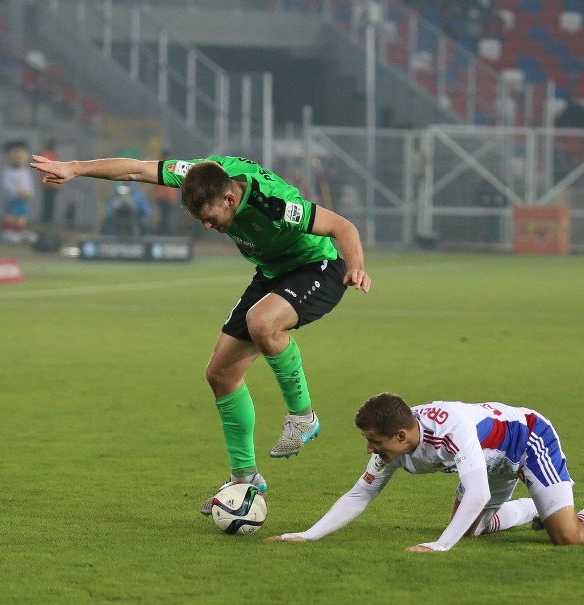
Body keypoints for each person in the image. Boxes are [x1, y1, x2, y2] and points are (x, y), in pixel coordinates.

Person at [30, 153, 372, 514]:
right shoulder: (199, 175)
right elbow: (135, 169)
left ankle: (302, 415)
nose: (207, 226)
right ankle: (244, 479)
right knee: (220, 374)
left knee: (262, 323)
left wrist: (357, 268)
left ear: (230, 199)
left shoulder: (273, 204)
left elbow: (342, 227)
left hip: (318, 266)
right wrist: (73, 169)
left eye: (210, 218)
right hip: (272, 273)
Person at [267, 393, 584, 552]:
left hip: (528, 442)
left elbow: (478, 493)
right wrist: (307, 534)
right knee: (469, 529)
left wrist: (440, 546)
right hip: (489, 464)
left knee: (568, 537)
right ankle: (536, 509)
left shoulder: (451, 431)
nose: (370, 450)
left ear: (399, 434)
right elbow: (360, 494)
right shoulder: (395, 446)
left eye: (375, 442)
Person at [1, 140, 37, 244]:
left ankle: (20, 232)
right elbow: (7, 184)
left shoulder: (25, 171)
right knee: (11, 215)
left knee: (22, 216)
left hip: (23, 199)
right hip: (13, 198)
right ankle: (7, 232)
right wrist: (16, 192)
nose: (19, 155)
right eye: (15, 152)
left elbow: (28, 184)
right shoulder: (8, 171)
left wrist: (30, 193)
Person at [152, 149, 180, 235]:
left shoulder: (163, 165)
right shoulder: (166, 165)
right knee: (165, 217)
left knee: (165, 217)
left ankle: (164, 232)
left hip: (166, 198)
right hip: (165, 198)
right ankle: (165, 233)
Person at [37, 138, 60, 224]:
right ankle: (46, 219)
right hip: (50, 183)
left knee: (49, 203)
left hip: (50, 183)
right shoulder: (48, 154)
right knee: (48, 203)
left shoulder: (50, 154)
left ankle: (47, 219)